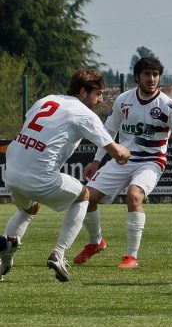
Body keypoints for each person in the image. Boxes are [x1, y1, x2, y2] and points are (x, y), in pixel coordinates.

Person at [73, 57, 172, 269]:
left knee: (134, 195)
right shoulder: (123, 100)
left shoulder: (168, 106)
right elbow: (109, 132)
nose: (152, 79)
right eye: (147, 74)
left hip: (151, 161)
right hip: (122, 159)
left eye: (155, 74)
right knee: (85, 198)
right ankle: (96, 243)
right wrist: (96, 161)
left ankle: (131, 257)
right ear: (137, 77)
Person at [2, 70, 131, 282]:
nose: (100, 99)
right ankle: (59, 254)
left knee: (29, 209)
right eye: (98, 93)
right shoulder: (83, 113)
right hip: (39, 176)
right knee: (84, 196)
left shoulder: (46, 100)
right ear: (83, 91)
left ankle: (4, 261)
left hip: (12, 172)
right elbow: (117, 152)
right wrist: (129, 152)